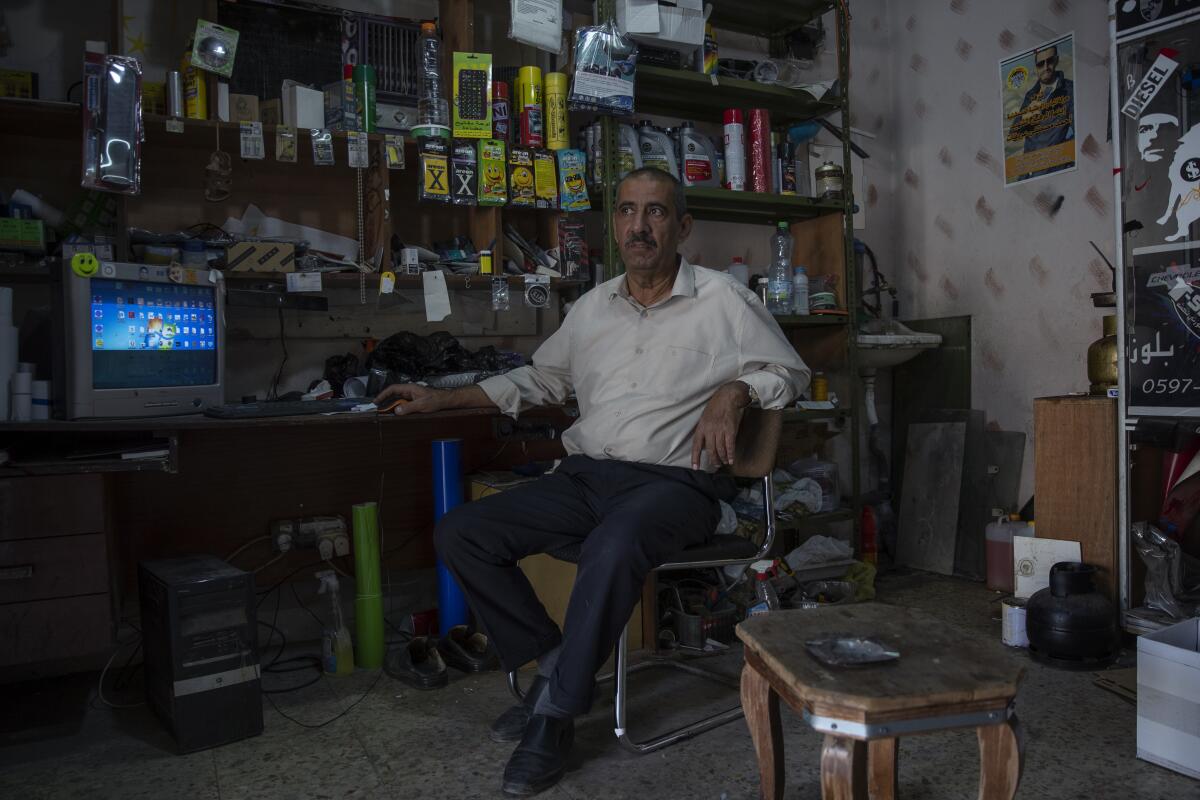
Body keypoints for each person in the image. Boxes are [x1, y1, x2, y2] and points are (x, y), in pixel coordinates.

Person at [375, 167, 809, 796]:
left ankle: (553, 716)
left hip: (676, 485)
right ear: (615, 227)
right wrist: (442, 398)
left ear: (681, 226)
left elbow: (789, 375)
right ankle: (558, 666)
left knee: (614, 543)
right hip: (585, 476)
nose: (640, 225)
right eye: (629, 211)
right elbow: (540, 381)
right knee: (463, 532)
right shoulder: (592, 308)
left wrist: (738, 387)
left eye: (656, 212)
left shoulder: (724, 301)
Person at [1013, 44, 1075, 179]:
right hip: (1027, 176)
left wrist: (1060, 162)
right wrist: (1025, 117)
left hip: (1053, 175)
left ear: (1056, 60)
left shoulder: (1068, 90)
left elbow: (1079, 134)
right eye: (1041, 63)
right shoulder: (1031, 95)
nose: (1046, 67)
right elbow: (1015, 133)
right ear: (1036, 67)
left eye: (1050, 61)